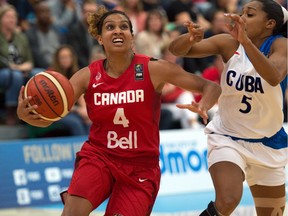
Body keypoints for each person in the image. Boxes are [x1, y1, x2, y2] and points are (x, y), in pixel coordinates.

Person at [17, 6, 221, 216]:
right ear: (100, 39)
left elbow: (211, 87)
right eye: (110, 27)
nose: (117, 31)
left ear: (132, 37)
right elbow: (51, 117)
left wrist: (204, 104)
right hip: (99, 156)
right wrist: (27, 117)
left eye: (124, 27)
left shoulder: (154, 69)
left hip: (140, 165)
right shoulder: (87, 75)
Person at [169, 0, 287, 215]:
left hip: (268, 142)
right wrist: (189, 39)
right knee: (228, 200)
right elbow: (176, 50)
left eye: (249, 14)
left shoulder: (281, 46)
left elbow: (273, 77)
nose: (242, 18)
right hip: (228, 136)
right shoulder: (228, 43)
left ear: (270, 23)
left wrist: (247, 43)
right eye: (241, 13)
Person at [0, 4, 42, 125]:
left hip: (20, 69)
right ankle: (11, 111)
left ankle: (39, 109)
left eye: (14, 17)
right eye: (8, 16)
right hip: (4, 71)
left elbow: (29, 61)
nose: (12, 19)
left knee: (39, 74)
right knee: (15, 75)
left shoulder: (21, 37)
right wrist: (14, 68)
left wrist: (19, 67)